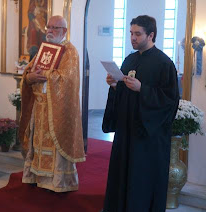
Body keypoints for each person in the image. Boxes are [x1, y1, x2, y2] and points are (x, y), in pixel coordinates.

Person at [102, 15, 179, 211]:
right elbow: (124, 95)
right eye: (131, 33)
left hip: (148, 137)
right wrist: (114, 86)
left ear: (151, 35)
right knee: (123, 176)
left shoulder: (164, 63)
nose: (133, 38)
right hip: (127, 131)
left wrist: (142, 89)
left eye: (138, 34)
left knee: (142, 180)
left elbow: (170, 101)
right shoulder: (129, 59)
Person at [19, 15, 86, 192]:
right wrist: (29, 78)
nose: (49, 31)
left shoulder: (70, 51)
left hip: (57, 109)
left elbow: (68, 79)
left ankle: (57, 181)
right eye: (48, 27)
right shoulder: (45, 49)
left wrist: (46, 75)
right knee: (37, 143)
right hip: (39, 106)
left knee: (55, 146)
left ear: (64, 31)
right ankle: (36, 176)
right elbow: (29, 71)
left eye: (55, 28)